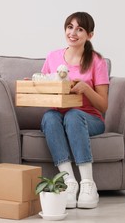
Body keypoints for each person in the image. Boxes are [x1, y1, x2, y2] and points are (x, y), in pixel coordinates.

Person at [40, 12, 109, 209]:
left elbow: (103, 106)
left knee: (72, 115)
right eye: (70, 27)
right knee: (50, 117)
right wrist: (37, 84)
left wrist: (86, 88)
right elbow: (46, 87)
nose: (73, 32)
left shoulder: (97, 61)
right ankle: (69, 182)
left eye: (80, 29)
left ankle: (88, 184)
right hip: (59, 116)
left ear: (90, 35)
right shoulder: (53, 57)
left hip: (90, 120)